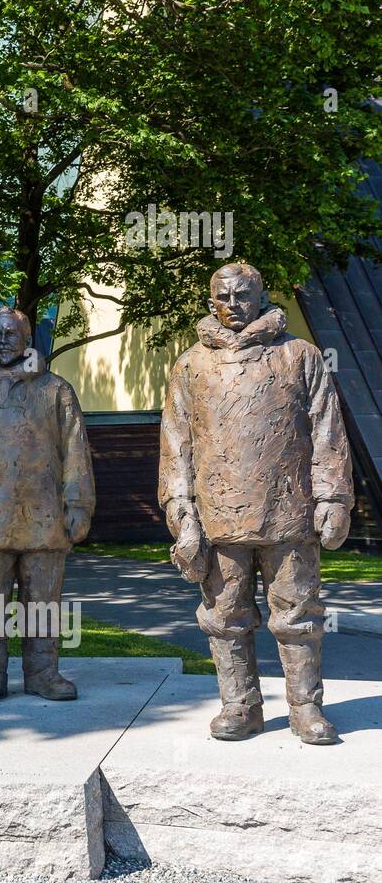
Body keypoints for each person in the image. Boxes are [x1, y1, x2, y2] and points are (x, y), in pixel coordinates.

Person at [160, 262, 353, 745]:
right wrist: (181, 512)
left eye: (243, 296)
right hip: (218, 517)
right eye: (223, 298)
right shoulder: (189, 365)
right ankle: (239, 705)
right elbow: (175, 445)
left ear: (261, 297)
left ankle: (306, 707)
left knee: (299, 615)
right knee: (225, 617)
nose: (233, 305)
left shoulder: (300, 356)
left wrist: (333, 497)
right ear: (210, 303)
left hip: (289, 512)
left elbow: (328, 431)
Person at [0, 306, 95, 705]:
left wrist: (78, 505)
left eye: (9, 333)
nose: (1, 340)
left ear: (27, 338)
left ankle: (43, 672)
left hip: (45, 520)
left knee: (42, 601)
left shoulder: (55, 390)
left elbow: (75, 451)